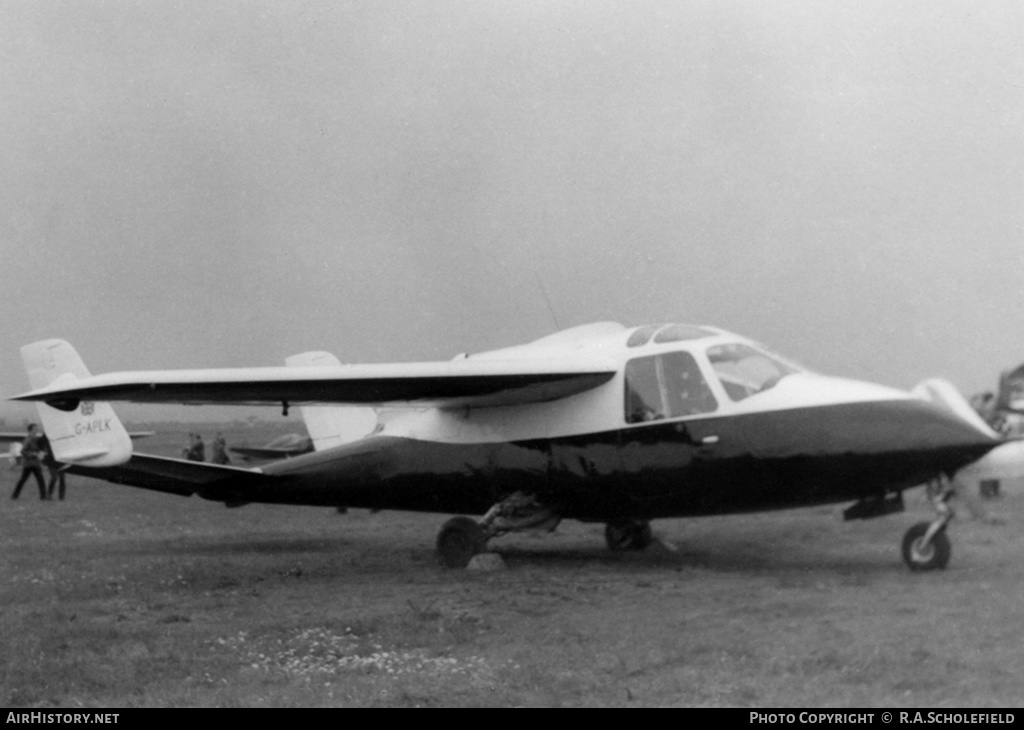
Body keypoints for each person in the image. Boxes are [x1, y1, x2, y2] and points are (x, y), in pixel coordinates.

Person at [11, 424, 47, 500]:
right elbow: (23, 451)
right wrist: (32, 454)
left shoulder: (37, 439)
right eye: (34, 429)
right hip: (28, 464)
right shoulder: (28, 440)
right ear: (30, 430)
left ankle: (43, 497)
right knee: (22, 480)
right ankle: (14, 495)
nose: (36, 430)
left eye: (37, 428)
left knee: (41, 480)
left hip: (36, 463)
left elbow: (40, 448)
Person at [39, 433, 67, 501]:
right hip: (51, 460)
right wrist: (44, 450)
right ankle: (49, 494)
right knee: (54, 477)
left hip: (60, 459)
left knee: (62, 478)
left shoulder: (60, 433)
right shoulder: (47, 433)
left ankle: (61, 497)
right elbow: (39, 443)